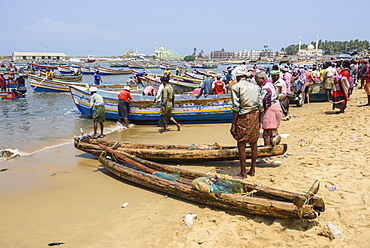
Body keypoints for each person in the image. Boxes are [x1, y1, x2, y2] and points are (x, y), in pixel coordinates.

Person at [230, 65, 262, 178]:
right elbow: (260, 105)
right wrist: (259, 121)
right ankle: (252, 170)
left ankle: (243, 172)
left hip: (243, 117)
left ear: (237, 77)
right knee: (254, 144)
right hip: (255, 116)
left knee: (241, 144)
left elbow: (235, 107)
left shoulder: (236, 88)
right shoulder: (255, 87)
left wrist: (233, 125)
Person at [255, 71, 283, 147]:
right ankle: (271, 149)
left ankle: (267, 154)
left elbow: (260, 100)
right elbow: (277, 95)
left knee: (266, 133)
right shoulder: (271, 84)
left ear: (263, 78)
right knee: (271, 131)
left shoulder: (265, 88)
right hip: (276, 106)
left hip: (270, 109)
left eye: (257, 81)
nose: (257, 84)